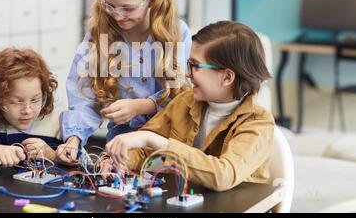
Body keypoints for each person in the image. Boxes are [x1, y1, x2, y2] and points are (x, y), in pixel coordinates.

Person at [104, 21, 275, 192]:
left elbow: (223, 175)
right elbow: (143, 151)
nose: (187, 73)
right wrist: (116, 161)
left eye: (195, 66)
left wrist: (151, 138)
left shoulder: (258, 122)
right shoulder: (185, 101)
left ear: (227, 77)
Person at [56, 0, 192, 165]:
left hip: (167, 144)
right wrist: (73, 140)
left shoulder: (176, 33)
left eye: (128, 8)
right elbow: (85, 97)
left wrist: (141, 106)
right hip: (120, 146)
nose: (118, 15)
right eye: (110, 5)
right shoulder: (98, 34)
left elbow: (181, 97)